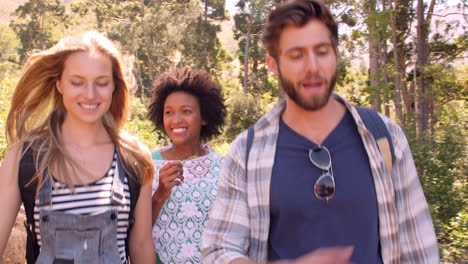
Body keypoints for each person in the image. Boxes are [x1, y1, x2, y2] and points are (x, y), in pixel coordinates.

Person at [201, 0, 440, 264]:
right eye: (296, 55)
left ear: (336, 54)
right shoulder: (246, 151)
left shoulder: (385, 136)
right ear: (273, 64)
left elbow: (420, 250)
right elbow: (219, 249)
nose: (312, 67)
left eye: (322, 51)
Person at [0, 31, 155, 264]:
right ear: (59, 84)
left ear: (114, 86)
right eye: (77, 82)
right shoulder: (24, 157)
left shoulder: (134, 158)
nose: (90, 94)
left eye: (101, 83)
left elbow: (141, 244)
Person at [147, 67, 227, 264]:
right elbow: (134, 231)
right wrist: (159, 195)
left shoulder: (224, 167)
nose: (176, 120)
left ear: (204, 117)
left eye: (186, 111)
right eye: (169, 112)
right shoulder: (147, 165)